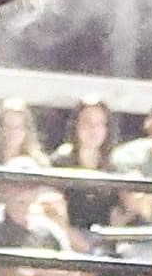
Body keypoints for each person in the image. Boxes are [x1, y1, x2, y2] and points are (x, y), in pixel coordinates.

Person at [50, 95, 120, 230]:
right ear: (76, 125)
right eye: (87, 122)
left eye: (100, 123)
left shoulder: (114, 166)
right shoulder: (60, 162)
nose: (93, 129)